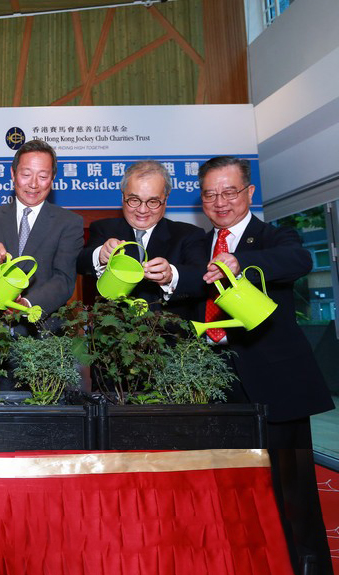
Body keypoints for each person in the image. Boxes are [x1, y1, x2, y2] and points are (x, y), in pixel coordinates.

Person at [197, 155, 334, 574]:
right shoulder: (197, 245)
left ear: (249, 193)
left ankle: (306, 566)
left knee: (292, 494)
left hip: (276, 387)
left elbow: (297, 261)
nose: (220, 202)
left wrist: (243, 264)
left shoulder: (276, 237)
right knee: (229, 486)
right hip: (217, 389)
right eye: (210, 194)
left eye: (230, 192)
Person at [0, 139, 84, 324]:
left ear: (53, 178)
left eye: (42, 176)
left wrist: (26, 304)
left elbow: (64, 280)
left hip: (43, 333)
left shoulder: (69, 222)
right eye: (26, 174)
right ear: (13, 174)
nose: (33, 184)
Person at [77, 159, 205, 316]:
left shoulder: (188, 234)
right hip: (112, 335)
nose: (142, 210)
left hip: (169, 335)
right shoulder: (104, 229)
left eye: (153, 201)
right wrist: (100, 255)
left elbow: (200, 279)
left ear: (166, 199)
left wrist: (171, 275)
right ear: (123, 197)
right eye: (134, 200)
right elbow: (80, 262)